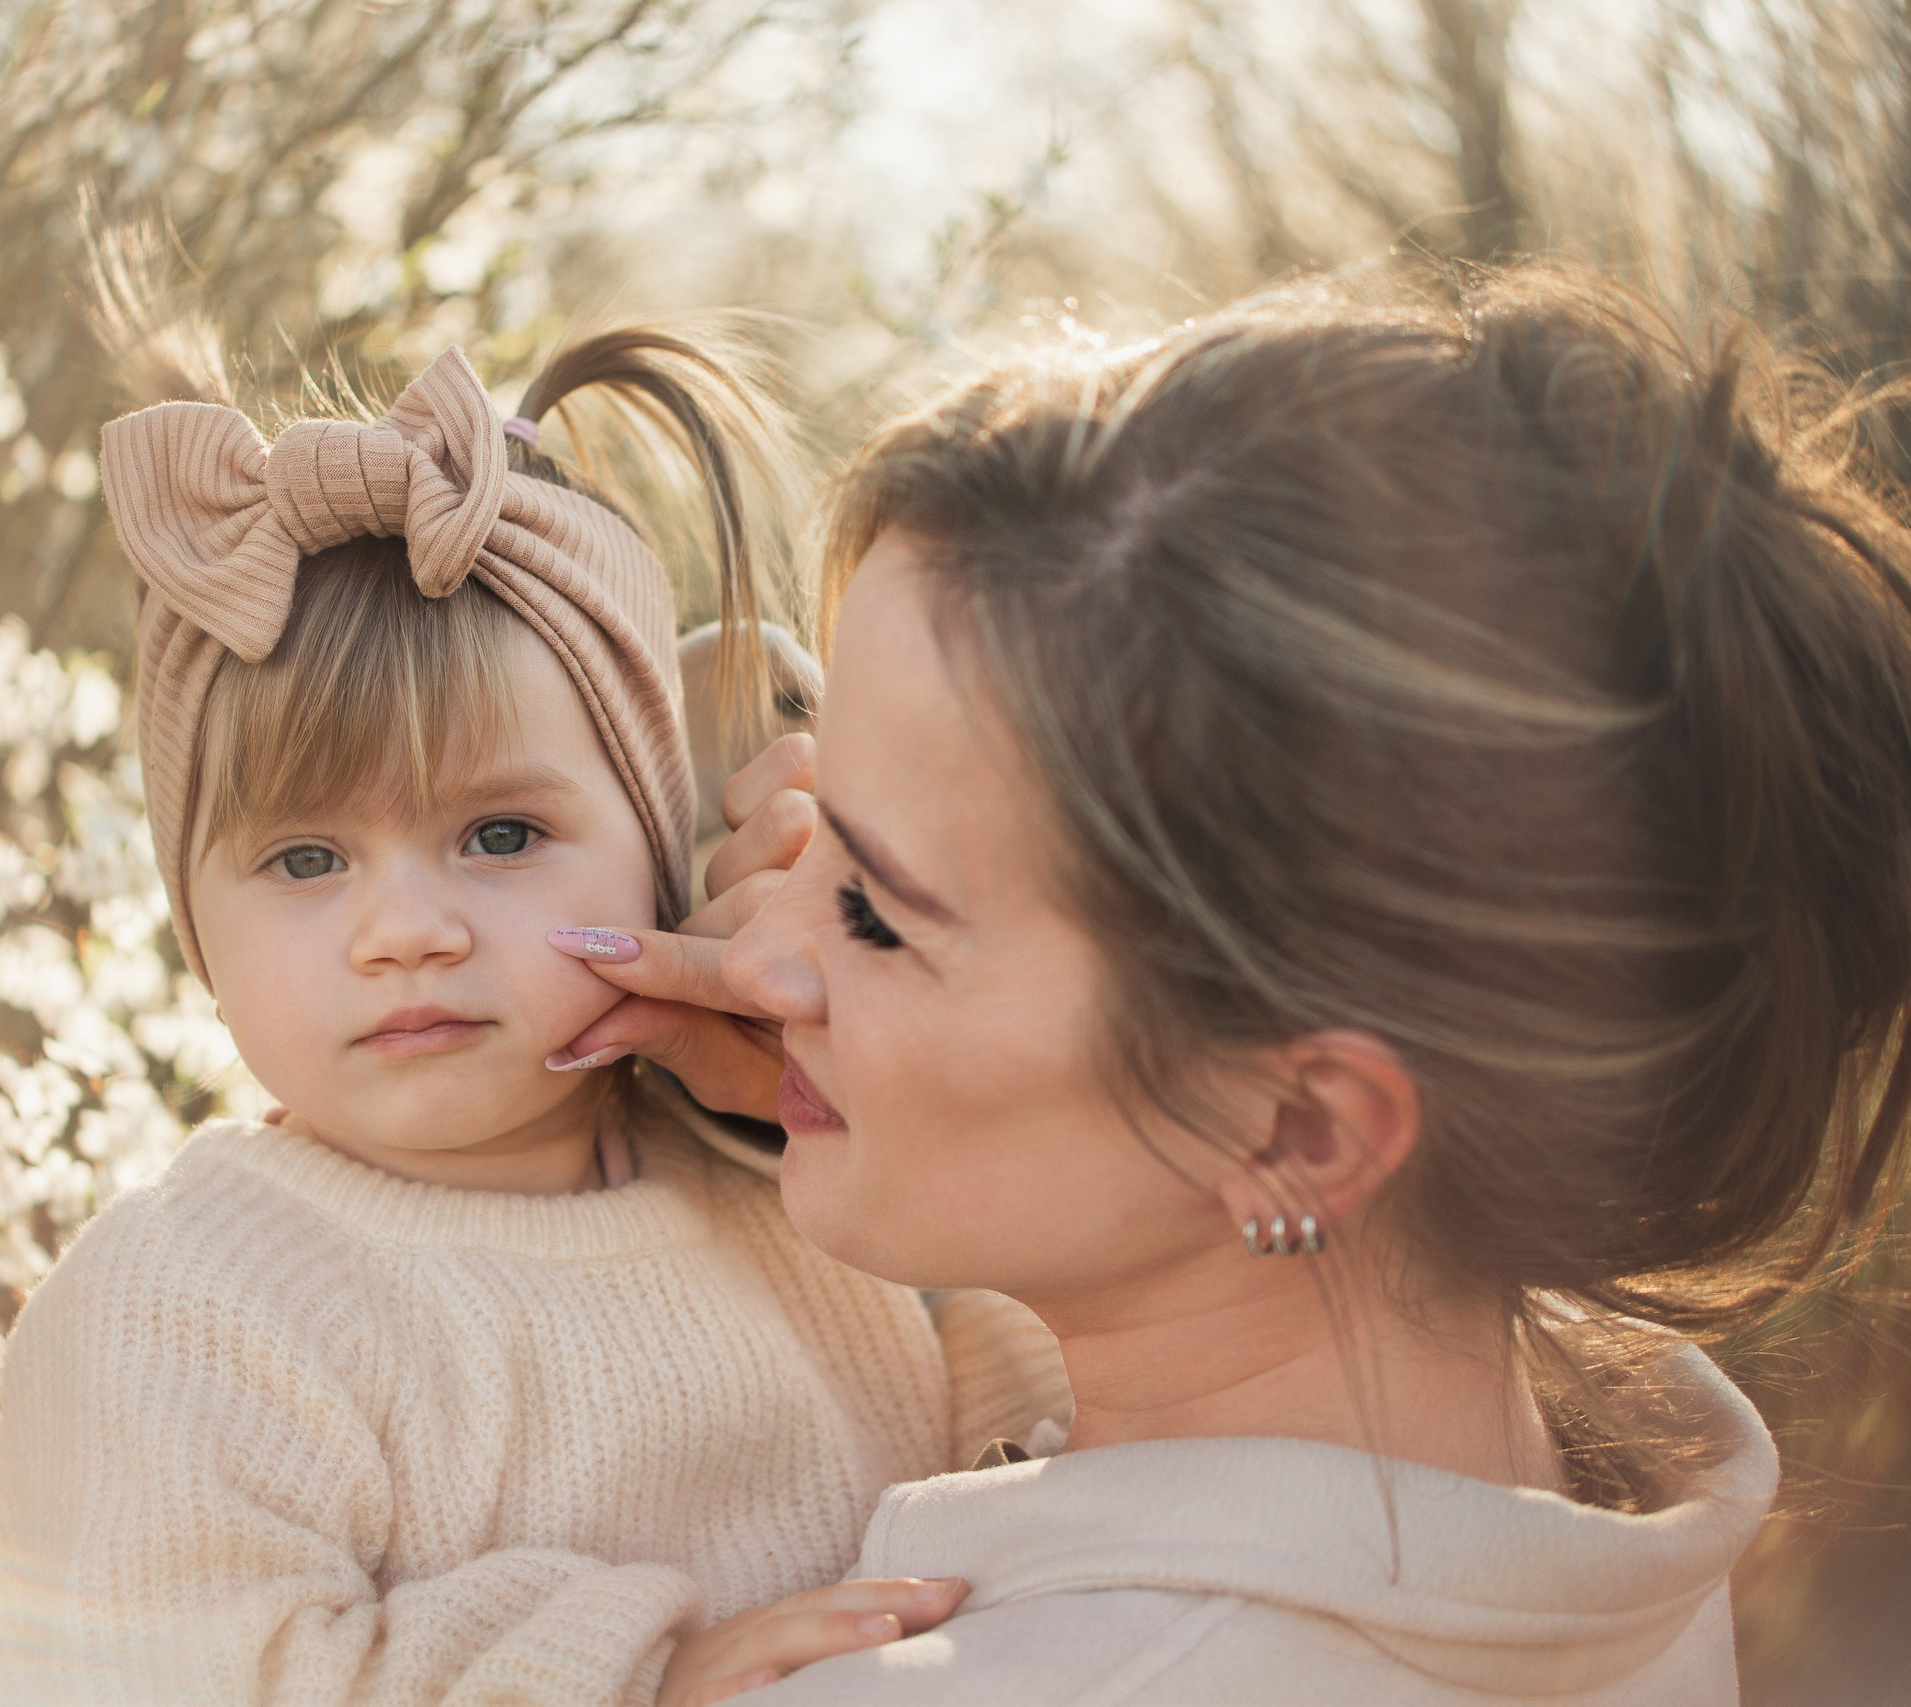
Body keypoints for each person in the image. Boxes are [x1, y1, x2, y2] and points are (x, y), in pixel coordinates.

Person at [557, 264, 1911, 1703]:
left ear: (1302, 1131)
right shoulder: (1590, 1502)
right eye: (821, 809)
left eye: (878, 911)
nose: (758, 953)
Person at [0, 307, 1069, 1706]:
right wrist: (639, 1685)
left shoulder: (796, 1184)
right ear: (195, 931)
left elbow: (1076, 1439)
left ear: (661, 855)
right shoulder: (186, 1304)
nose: (408, 930)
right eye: (305, 860)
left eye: (502, 835)